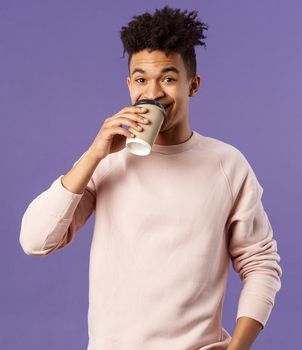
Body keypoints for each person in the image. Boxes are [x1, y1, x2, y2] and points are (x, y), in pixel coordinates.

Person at [18, 6, 282, 350]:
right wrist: (93, 154)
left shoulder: (227, 164)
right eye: (141, 79)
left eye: (169, 79)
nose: (153, 91)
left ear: (193, 85)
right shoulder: (107, 161)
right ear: (129, 85)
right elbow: (36, 242)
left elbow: (261, 266)